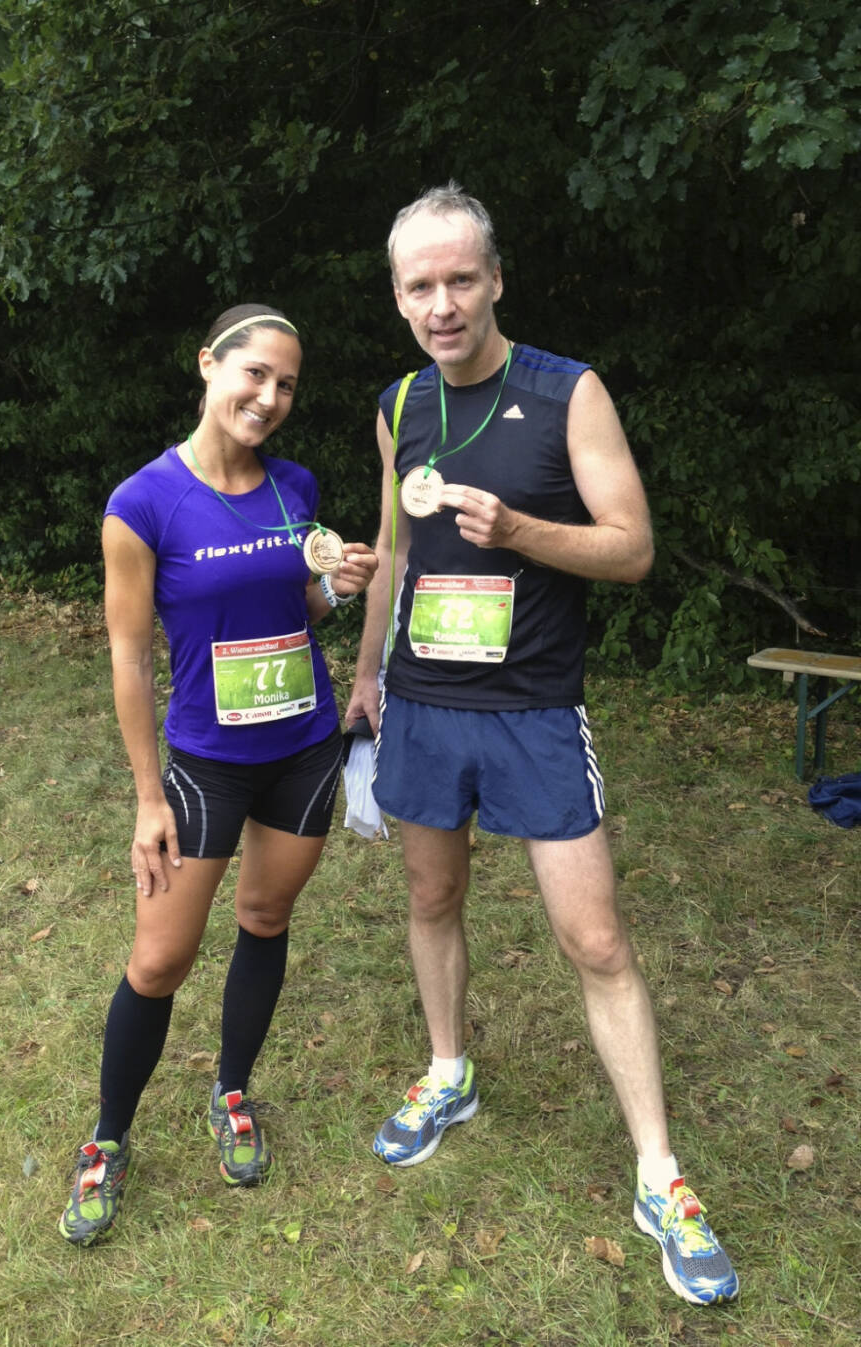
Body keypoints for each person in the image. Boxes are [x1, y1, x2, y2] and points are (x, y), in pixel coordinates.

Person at [345, 184, 739, 1306]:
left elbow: (632, 547)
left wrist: (519, 530)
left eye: (460, 279)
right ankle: (448, 1070)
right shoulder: (399, 402)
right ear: (398, 298)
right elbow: (394, 547)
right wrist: (367, 674)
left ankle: (659, 1177)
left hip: (532, 709)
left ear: (496, 280)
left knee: (596, 939)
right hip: (424, 703)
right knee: (431, 898)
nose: (442, 304)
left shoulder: (568, 391)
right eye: (420, 286)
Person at [59, 303, 378, 1246]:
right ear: (209, 365)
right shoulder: (143, 503)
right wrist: (146, 796)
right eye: (255, 374)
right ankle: (108, 1139)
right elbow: (129, 659)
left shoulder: (294, 485)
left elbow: (297, 604)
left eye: (287, 385)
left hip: (304, 750)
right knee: (159, 959)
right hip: (206, 764)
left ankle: (233, 1090)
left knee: (266, 918)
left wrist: (337, 587)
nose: (270, 397)